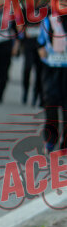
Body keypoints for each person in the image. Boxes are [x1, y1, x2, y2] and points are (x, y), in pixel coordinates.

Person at [37, 9, 67, 153]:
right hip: (51, 67)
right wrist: (40, 48)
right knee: (50, 104)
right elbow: (40, 41)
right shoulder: (48, 18)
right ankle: (50, 139)